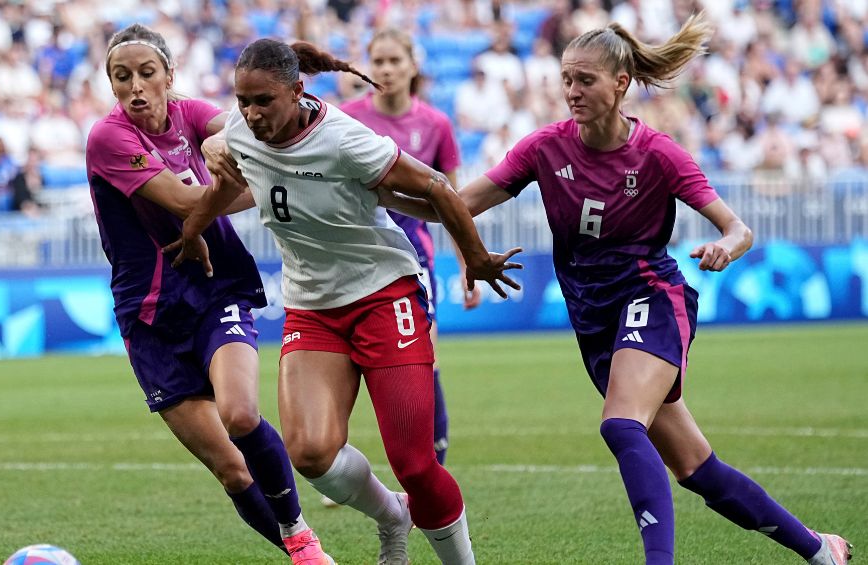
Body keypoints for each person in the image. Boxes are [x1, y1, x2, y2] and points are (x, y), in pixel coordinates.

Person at [380, 13, 853, 565]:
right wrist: (370, 189)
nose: (572, 92)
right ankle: (821, 550)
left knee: (621, 423)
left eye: (585, 80)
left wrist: (728, 244)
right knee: (699, 470)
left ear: (620, 84)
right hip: (595, 316)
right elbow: (450, 206)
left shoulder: (657, 153)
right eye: (566, 79)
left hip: (652, 298)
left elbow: (738, 226)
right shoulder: (544, 149)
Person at [165, 38, 522, 565]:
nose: (250, 113)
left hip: (384, 294)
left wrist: (477, 257)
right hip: (312, 307)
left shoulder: (345, 140)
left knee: (416, 465)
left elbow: (439, 187)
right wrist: (195, 226)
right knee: (309, 453)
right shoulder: (241, 131)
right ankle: (392, 516)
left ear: (297, 91)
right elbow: (228, 181)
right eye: (243, 100)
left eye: (263, 101)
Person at [84, 24, 333, 565]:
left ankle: (298, 534)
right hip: (150, 316)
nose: (135, 88)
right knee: (231, 469)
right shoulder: (108, 138)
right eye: (121, 77)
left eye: (147, 74)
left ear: (169, 77)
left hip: (215, 288)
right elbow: (181, 200)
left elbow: (238, 129)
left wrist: (227, 139)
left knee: (241, 415)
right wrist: (243, 174)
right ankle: (306, 557)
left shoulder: (189, 114)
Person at [340, 28, 480, 469]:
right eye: (377, 61)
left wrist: (468, 265)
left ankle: (430, 473)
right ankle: (337, 468)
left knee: (424, 360)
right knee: (345, 366)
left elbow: (456, 202)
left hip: (410, 261)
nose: (384, 69)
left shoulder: (435, 124)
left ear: (412, 66)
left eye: (393, 61)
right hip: (352, 256)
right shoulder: (345, 118)